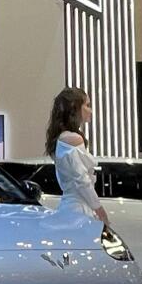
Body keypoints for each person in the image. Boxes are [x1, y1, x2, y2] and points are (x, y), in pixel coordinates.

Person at [47, 87, 107, 224]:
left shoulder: (62, 138)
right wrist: (99, 209)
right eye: (87, 105)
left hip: (70, 207)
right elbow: (82, 179)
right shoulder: (73, 139)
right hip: (79, 210)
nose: (90, 110)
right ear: (74, 108)